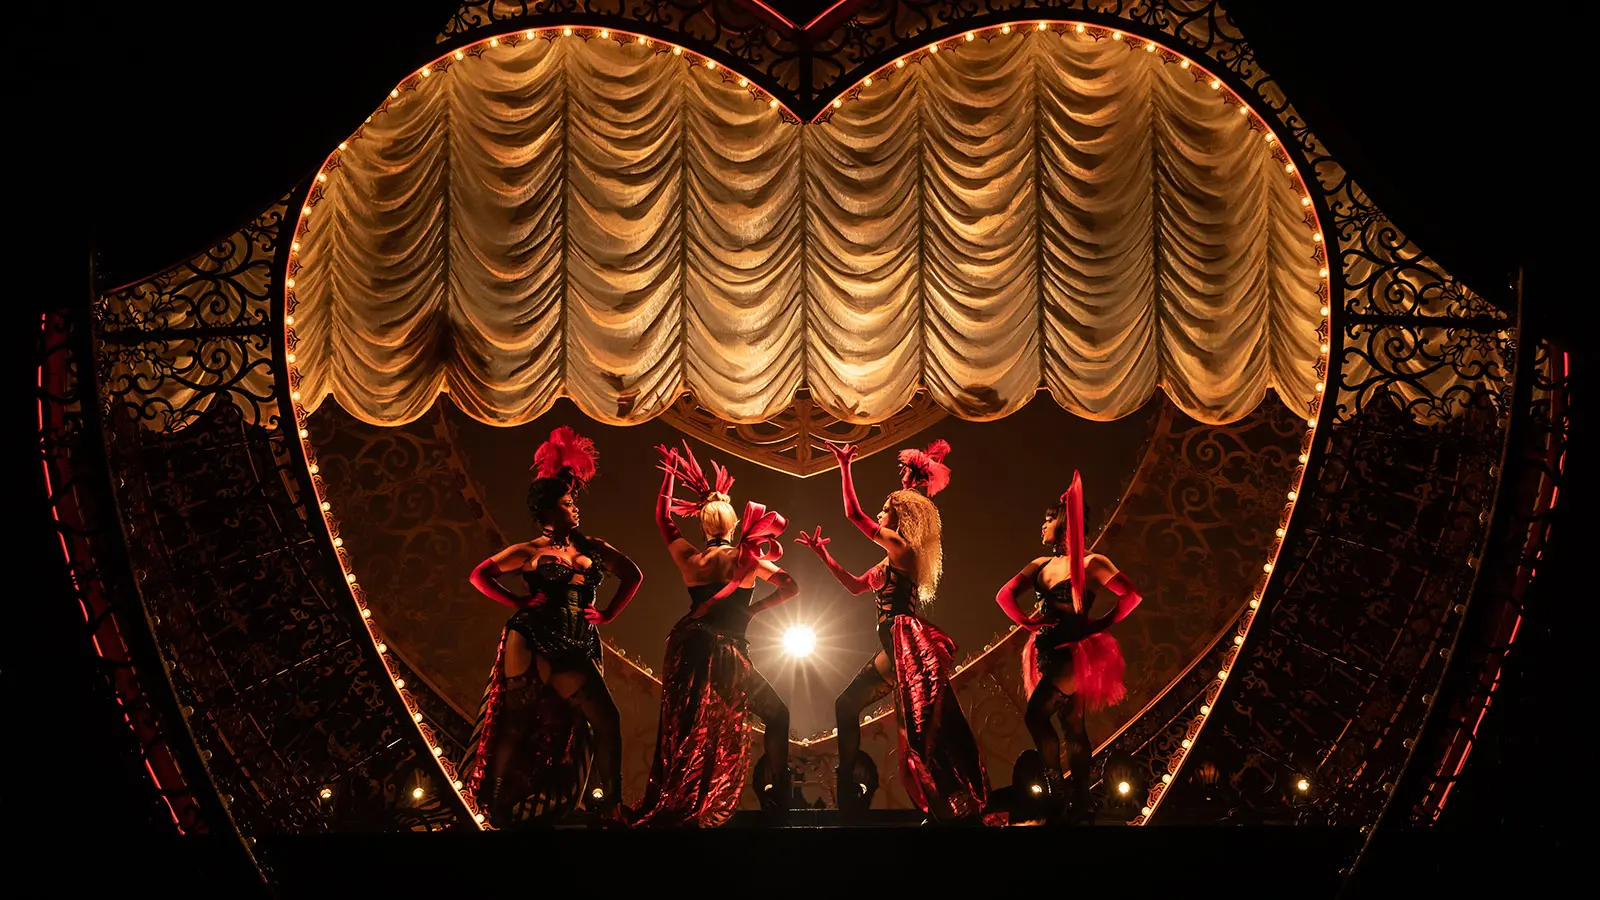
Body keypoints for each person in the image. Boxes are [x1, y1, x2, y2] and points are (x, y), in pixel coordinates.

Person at [797, 439, 990, 823]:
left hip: (908, 646)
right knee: (846, 705)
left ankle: (951, 808)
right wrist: (824, 556)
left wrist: (844, 465)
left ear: (898, 518)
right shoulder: (888, 563)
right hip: (893, 650)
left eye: (884, 510)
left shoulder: (904, 551)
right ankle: (849, 792)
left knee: (921, 738)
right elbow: (854, 585)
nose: (879, 515)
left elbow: (853, 514)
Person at [462, 426, 642, 827]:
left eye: (573, 500)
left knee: (602, 720)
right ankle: (491, 804)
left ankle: (612, 807)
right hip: (532, 635)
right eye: (566, 502)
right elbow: (479, 576)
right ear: (547, 511)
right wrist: (519, 601)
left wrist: (608, 614)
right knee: (518, 719)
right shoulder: (530, 551)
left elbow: (633, 575)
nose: (574, 507)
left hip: (578, 641)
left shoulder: (592, 547)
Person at [629, 443, 798, 827]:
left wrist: (670, 473)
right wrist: (753, 610)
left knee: (690, 727)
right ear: (735, 524)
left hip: (688, 644)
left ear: (703, 525)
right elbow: (791, 586)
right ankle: (775, 799)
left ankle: (683, 798)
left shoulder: (691, 559)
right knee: (775, 714)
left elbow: (662, 518)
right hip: (725, 651)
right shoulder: (747, 558)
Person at [992, 472, 1143, 823]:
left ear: (1061, 522)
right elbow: (1003, 595)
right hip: (1047, 651)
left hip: (1076, 652)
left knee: (1036, 715)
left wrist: (1101, 624)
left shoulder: (1092, 563)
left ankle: (1058, 789)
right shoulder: (1040, 565)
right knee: (1073, 726)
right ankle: (1080, 800)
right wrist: (1027, 623)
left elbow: (1131, 596)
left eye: (1046, 519)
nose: (1041, 526)